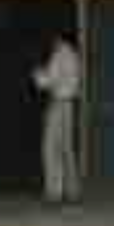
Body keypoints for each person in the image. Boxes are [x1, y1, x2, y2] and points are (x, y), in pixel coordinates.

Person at [33, 35, 82, 205]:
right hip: (68, 104)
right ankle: (72, 191)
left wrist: (38, 75)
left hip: (59, 103)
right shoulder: (72, 54)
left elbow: (49, 81)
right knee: (66, 149)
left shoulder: (61, 54)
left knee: (50, 149)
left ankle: (54, 192)